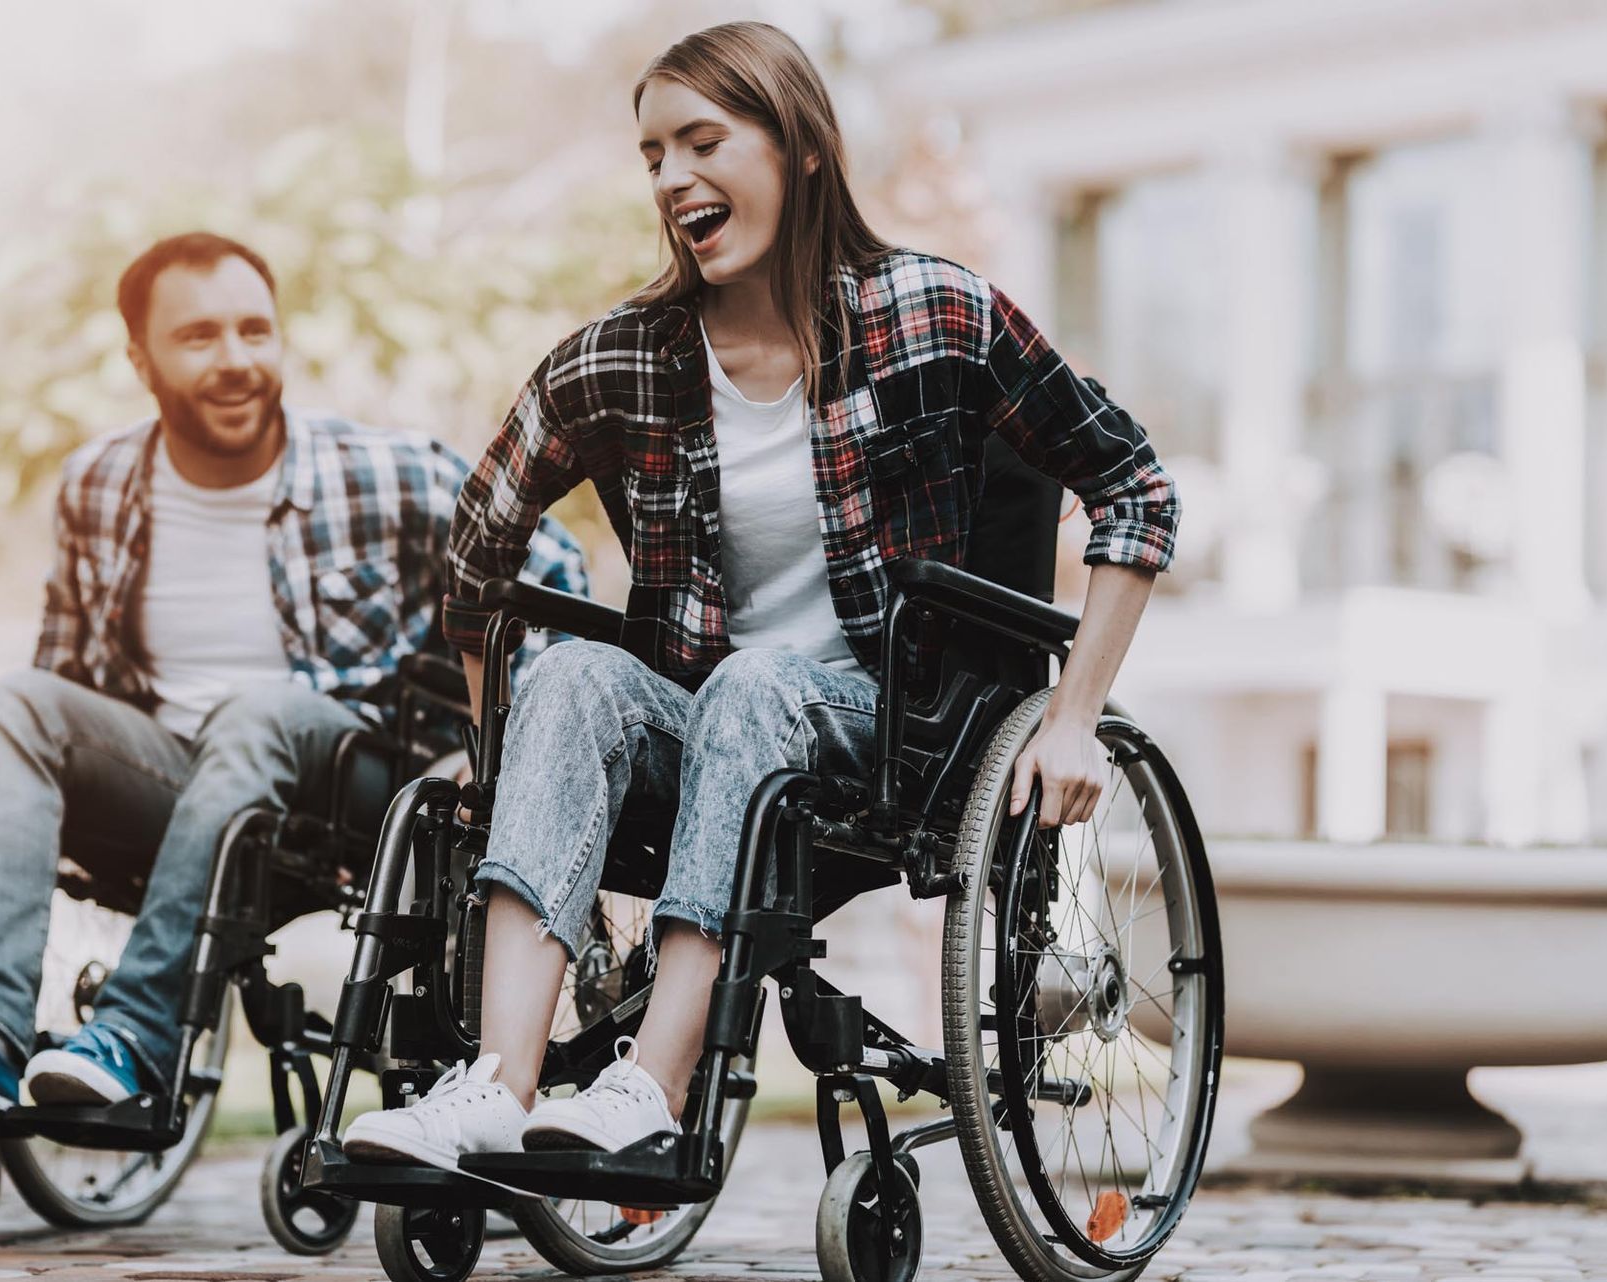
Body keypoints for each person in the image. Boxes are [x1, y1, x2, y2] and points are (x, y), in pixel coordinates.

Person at [340, 20, 1179, 1168]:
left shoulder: (932, 313)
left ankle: (653, 1086)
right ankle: (496, 1083)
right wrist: (501, 756)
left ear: (800, 149)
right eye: (651, 157)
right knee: (578, 670)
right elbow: (480, 551)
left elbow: (1131, 485)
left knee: (756, 682)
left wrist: (1076, 715)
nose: (673, 178)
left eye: (701, 142)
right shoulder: (621, 358)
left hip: (894, 735)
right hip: (709, 726)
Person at [0, 232, 587, 1112]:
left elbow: (557, 579)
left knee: (259, 709)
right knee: (11, 704)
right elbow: (69, 678)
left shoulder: (387, 472)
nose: (236, 360)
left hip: (350, 790)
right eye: (198, 337)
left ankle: (137, 1036)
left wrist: (493, 753)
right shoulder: (99, 484)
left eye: (254, 331)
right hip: (182, 790)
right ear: (138, 357)